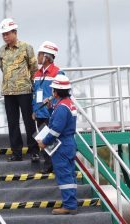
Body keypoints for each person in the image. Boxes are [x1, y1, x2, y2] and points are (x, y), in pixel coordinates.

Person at [0, 18, 39, 162]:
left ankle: (34, 150)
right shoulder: (2, 50)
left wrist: (34, 87)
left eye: (7, 34)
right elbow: (2, 67)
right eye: (3, 34)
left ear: (15, 32)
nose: (5, 37)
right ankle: (16, 152)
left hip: (25, 91)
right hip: (8, 92)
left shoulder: (26, 47)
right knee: (12, 122)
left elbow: (34, 68)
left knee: (29, 122)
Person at [37, 75, 77, 215]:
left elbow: (55, 130)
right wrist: (49, 108)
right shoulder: (67, 103)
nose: (52, 92)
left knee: (64, 174)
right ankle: (70, 202)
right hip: (69, 143)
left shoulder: (61, 108)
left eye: (53, 90)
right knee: (70, 174)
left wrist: (44, 142)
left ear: (56, 92)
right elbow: (58, 120)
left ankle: (69, 205)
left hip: (61, 145)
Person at [32, 41, 63, 172]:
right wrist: (34, 110)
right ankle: (48, 165)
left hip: (51, 113)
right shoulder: (37, 74)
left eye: (39, 54)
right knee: (42, 140)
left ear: (46, 56)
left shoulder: (58, 73)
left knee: (51, 139)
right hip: (39, 113)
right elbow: (34, 94)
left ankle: (52, 166)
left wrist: (54, 107)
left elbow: (61, 94)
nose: (37, 57)